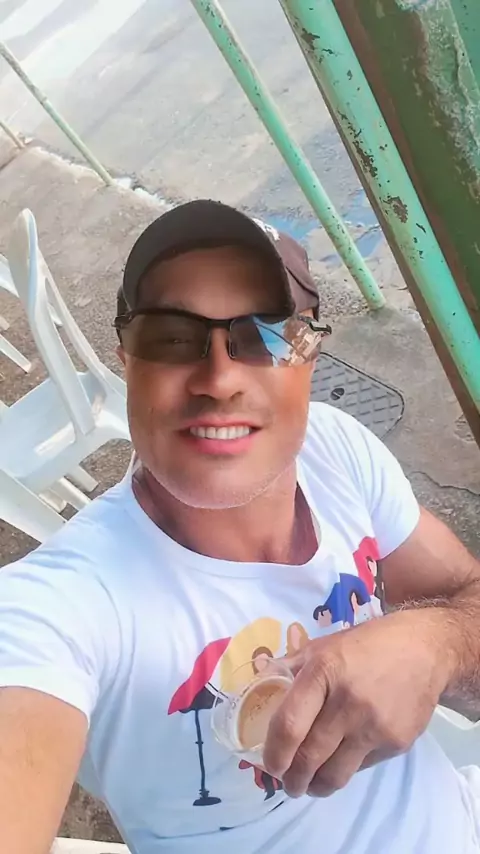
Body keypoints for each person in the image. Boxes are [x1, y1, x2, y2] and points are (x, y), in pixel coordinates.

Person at [0, 200, 479, 854]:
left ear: (310, 356)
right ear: (126, 361)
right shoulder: (65, 608)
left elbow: (468, 596)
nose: (220, 379)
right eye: (172, 337)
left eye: (266, 334)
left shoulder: (336, 452)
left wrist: (432, 642)